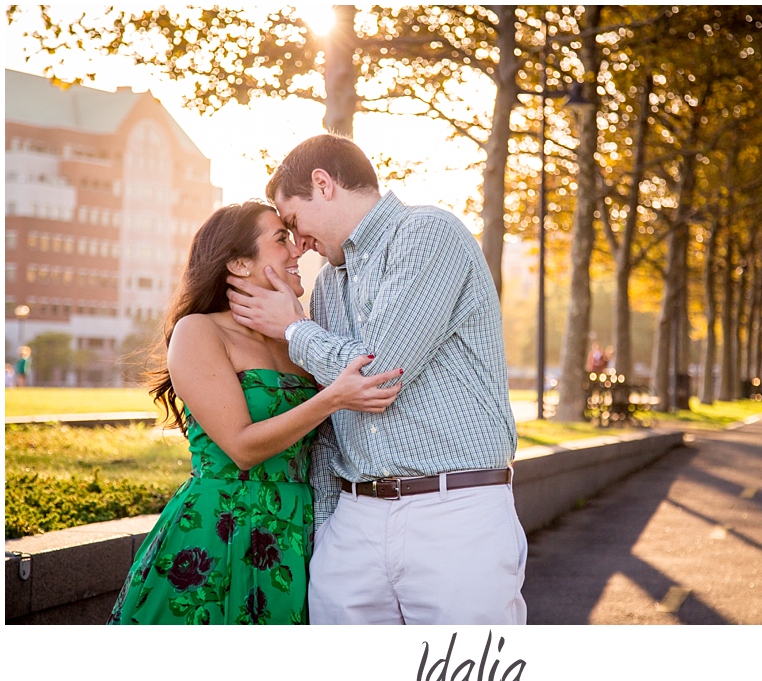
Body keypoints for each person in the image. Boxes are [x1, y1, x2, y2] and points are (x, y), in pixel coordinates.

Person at [226, 134, 526, 625]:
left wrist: (293, 328)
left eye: (295, 222)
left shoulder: (428, 233)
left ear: (322, 185)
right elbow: (332, 415)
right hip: (354, 521)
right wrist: (328, 530)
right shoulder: (327, 284)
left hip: (454, 514)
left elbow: (377, 375)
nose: (298, 244)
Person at [108, 200, 401, 625]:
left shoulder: (300, 338)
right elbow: (242, 447)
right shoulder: (200, 331)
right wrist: (333, 397)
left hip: (298, 529)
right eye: (281, 239)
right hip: (222, 526)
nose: (298, 249)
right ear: (240, 264)